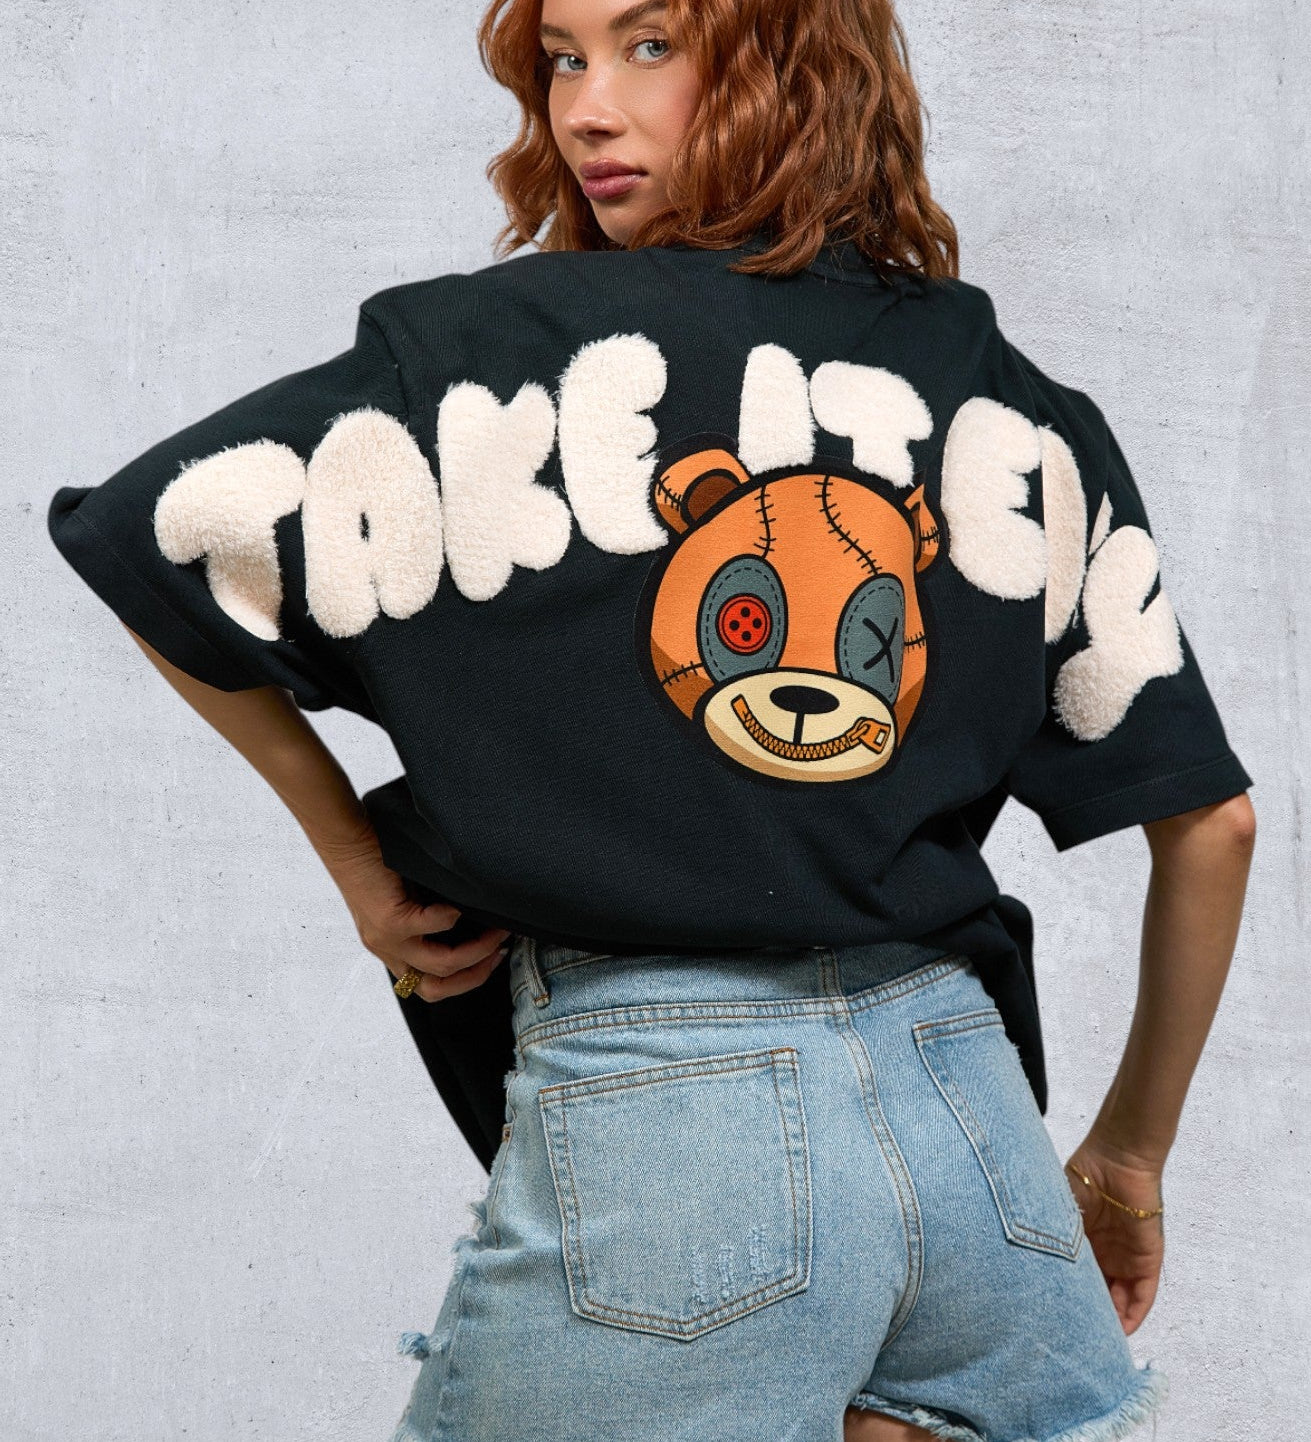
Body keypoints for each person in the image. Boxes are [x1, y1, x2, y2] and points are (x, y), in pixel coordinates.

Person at [46, 0, 1257, 1436]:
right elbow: (1214, 825)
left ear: (792, 66)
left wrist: (360, 869)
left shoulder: (476, 361)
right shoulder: (1009, 404)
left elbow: (156, 536)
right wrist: (1127, 1158)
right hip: (971, 1139)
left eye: (649, 46)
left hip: (676, 1140)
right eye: (563, 58)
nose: (586, 110)